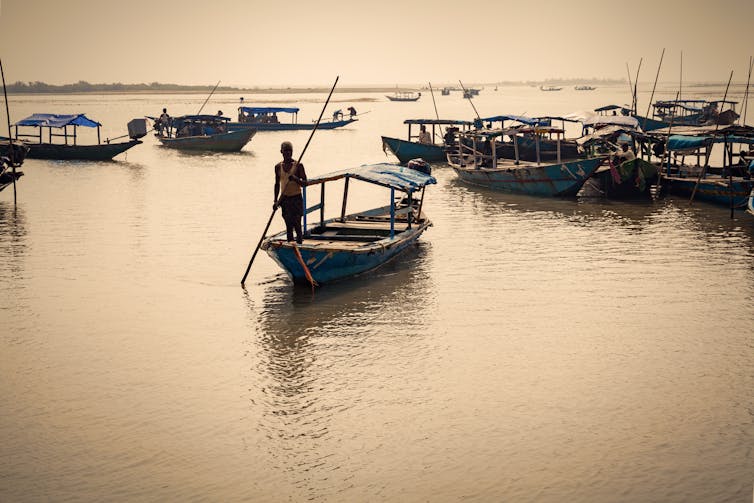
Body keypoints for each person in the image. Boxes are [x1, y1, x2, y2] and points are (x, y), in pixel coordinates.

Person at [274, 141, 307, 244]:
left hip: (296, 199)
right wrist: (276, 201)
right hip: (285, 199)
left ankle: (300, 245)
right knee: (288, 225)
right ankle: (291, 246)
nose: (288, 153)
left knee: (297, 224)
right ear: (281, 152)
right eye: (285, 151)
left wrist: (295, 178)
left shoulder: (298, 165)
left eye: (289, 151)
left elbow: (305, 183)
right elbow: (277, 184)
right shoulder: (278, 167)